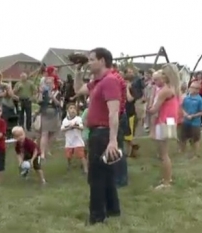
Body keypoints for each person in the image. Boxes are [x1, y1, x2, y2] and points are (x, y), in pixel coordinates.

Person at [73, 47, 124, 225]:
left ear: (102, 61)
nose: (89, 62)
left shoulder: (109, 81)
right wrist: (78, 70)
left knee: (96, 177)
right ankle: (113, 209)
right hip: (97, 132)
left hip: (103, 133)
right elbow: (78, 89)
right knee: (107, 174)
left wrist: (112, 140)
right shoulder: (97, 82)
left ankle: (97, 217)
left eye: (92, 59)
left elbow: (113, 113)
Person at [147, 64, 181, 190]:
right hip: (170, 121)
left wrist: (148, 109)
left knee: (163, 154)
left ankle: (166, 182)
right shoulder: (174, 88)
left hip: (163, 121)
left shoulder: (165, 90)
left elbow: (154, 109)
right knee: (164, 153)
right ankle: (167, 177)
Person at [38, 76, 61, 159]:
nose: (48, 85)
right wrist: (40, 93)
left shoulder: (57, 92)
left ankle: (47, 149)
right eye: (47, 83)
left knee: (53, 133)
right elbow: (39, 102)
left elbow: (59, 104)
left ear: (53, 84)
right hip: (45, 113)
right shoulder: (43, 92)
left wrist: (53, 97)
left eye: (50, 83)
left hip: (54, 114)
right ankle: (42, 153)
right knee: (44, 133)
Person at [60, 103, 88, 173]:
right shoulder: (65, 120)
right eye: (71, 108)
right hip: (69, 141)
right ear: (67, 110)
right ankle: (69, 165)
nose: (73, 110)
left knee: (81, 155)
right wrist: (69, 127)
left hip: (78, 141)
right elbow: (62, 129)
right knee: (68, 156)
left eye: (74, 108)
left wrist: (76, 126)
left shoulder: (78, 119)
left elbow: (82, 128)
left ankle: (86, 169)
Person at [180, 82, 202, 159]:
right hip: (185, 121)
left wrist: (193, 116)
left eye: (193, 87)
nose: (191, 89)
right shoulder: (186, 97)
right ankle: (182, 152)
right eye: (191, 87)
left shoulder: (199, 100)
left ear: (198, 90)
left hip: (195, 123)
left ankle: (195, 154)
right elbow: (181, 107)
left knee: (195, 139)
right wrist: (185, 114)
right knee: (183, 138)